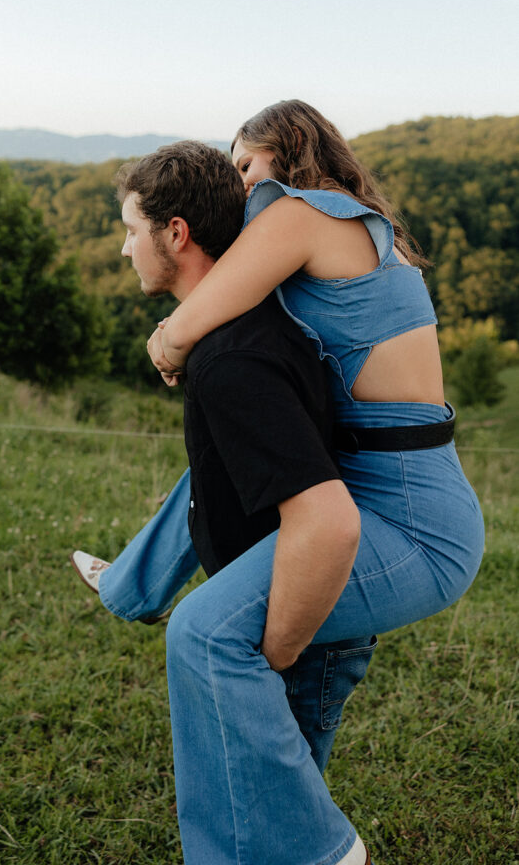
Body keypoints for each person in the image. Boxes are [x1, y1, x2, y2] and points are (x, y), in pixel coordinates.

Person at [72, 103, 485, 863]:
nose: (239, 189)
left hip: (405, 513)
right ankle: (131, 586)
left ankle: (321, 851)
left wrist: (167, 339)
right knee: (230, 461)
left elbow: (204, 307)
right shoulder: (342, 232)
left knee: (211, 636)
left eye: (243, 166)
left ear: (286, 151)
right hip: (364, 476)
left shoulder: (301, 215)